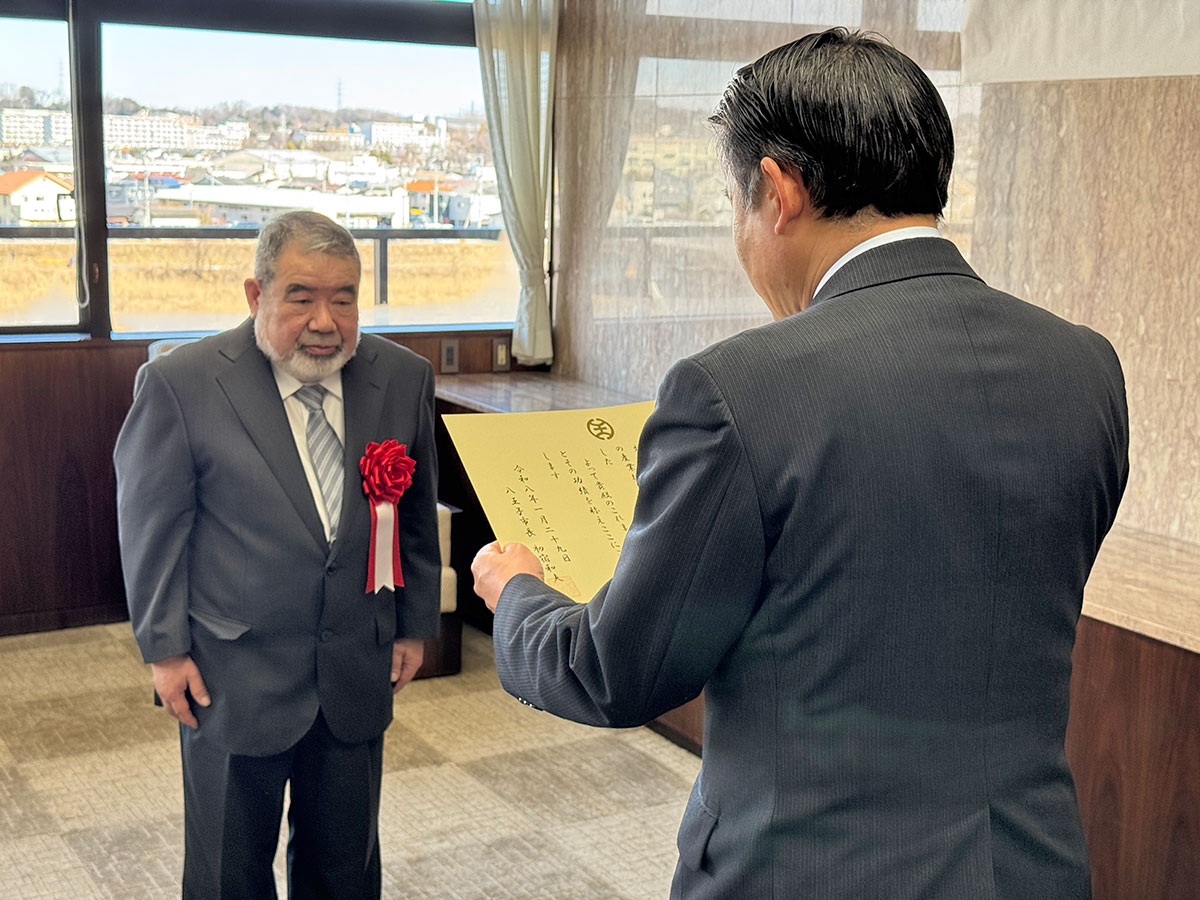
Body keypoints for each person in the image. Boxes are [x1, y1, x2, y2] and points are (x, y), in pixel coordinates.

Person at [471, 28, 1128, 900]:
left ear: (779, 191)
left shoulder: (736, 390)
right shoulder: (1085, 366)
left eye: (735, 204)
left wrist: (517, 591)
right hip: (1026, 868)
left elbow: (614, 672)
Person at [114, 210, 440, 900]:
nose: (325, 322)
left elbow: (413, 515)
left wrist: (412, 625)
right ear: (256, 294)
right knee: (229, 872)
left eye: (344, 299)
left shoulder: (401, 377)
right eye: (301, 297)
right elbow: (152, 527)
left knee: (345, 869)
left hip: (354, 666)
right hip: (232, 675)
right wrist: (165, 650)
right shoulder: (184, 384)